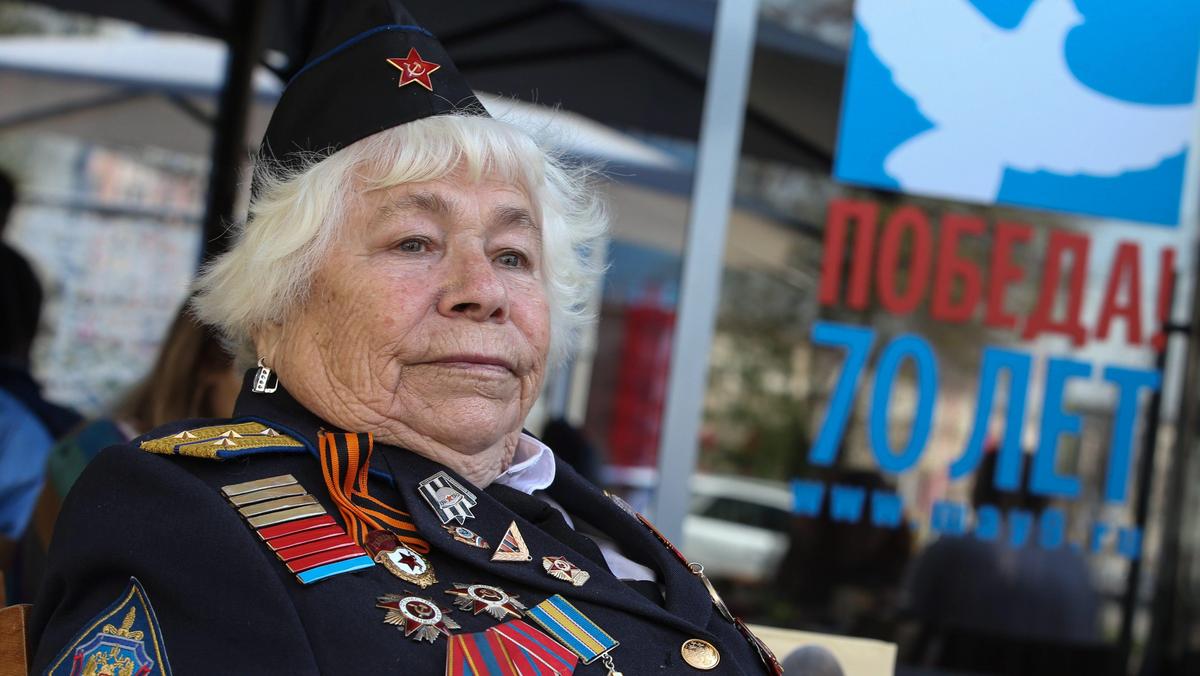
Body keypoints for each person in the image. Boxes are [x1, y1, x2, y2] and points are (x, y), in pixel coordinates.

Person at [28, 3, 781, 674]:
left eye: (513, 256)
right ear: (278, 302)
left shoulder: (577, 515)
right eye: (415, 243)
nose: (482, 290)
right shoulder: (184, 517)